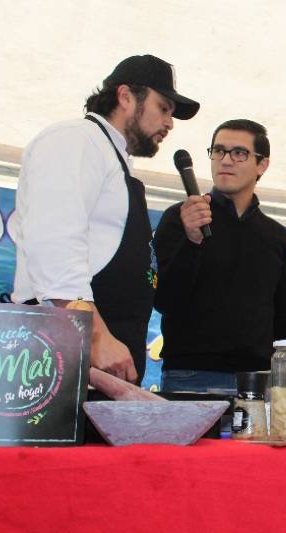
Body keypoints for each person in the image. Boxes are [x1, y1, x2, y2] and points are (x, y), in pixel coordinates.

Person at [10, 54, 199, 384]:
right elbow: (55, 243)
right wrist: (95, 337)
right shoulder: (75, 139)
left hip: (103, 366)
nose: (170, 123)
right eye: (163, 108)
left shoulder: (114, 158)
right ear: (125, 97)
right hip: (63, 357)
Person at [153, 119, 286, 393]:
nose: (226, 160)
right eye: (218, 151)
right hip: (191, 377)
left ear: (262, 165)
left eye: (239, 153)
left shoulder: (276, 236)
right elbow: (165, 300)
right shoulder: (180, 217)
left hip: (261, 382)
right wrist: (192, 241)